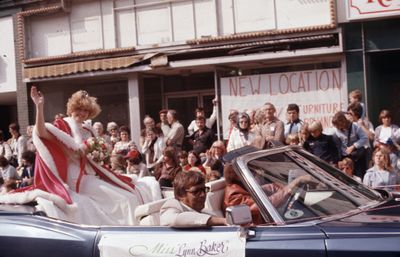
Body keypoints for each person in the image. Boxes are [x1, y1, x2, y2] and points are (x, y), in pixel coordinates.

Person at [0, 86, 156, 225]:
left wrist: (100, 155)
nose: (81, 113)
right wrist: (39, 107)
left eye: (85, 110)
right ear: (72, 108)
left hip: (94, 174)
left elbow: (97, 160)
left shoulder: (90, 130)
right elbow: (41, 131)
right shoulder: (63, 124)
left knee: (130, 193)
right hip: (76, 178)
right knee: (124, 200)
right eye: (78, 108)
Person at [160, 170, 226, 227]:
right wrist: (216, 220)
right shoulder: (171, 206)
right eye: (196, 191)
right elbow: (174, 219)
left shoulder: (207, 212)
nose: (202, 195)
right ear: (181, 194)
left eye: (204, 189)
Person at [332, 111, 369, 179]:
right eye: (336, 126)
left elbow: (364, 138)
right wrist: (338, 160)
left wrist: (353, 146)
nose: (337, 127)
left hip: (356, 157)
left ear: (343, 122)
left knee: (358, 177)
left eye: (338, 125)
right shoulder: (336, 131)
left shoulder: (355, 126)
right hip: (345, 157)